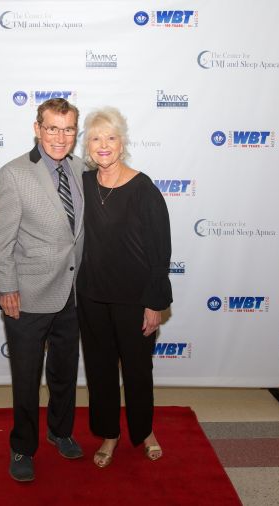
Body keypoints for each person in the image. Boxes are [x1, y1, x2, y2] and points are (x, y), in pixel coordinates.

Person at [0, 98, 86, 482]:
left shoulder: (82, 169)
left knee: (64, 372)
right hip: (28, 294)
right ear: (37, 129)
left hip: (73, 292)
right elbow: (1, 240)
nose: (60, 137)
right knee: (27, 377)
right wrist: (6, 287)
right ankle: (22, 446)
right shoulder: (14, 173)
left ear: (76, 132)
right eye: (52, 128)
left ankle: (60, 431)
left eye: (68, 129)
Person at [76, 106, 172, 468]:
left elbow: (160, 252)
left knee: (137, 371)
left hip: (135, 299)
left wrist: (155, 303)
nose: (103, 145)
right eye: (96, 138)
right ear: (87, 145)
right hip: (92, 297)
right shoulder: (83, 184)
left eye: (111, 137)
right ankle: (109, 434)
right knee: (99, 371)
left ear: (122, 143)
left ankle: (145, 431)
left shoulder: (144, 189)